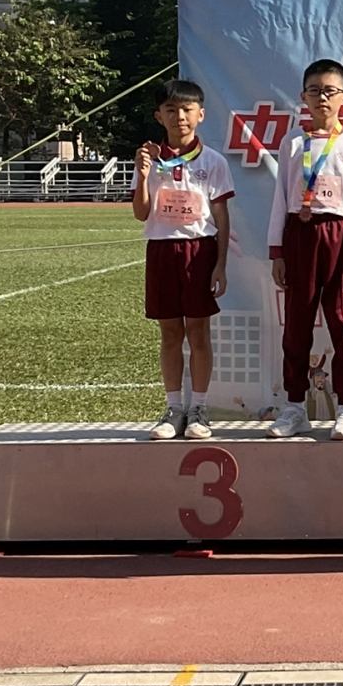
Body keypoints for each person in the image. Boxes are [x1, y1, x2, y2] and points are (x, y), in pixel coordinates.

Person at [267, 59, 343, 440]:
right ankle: (295, 407)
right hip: (301, 234)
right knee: (296, 326)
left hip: (341, 236)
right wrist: (277, 252)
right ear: (303, 97)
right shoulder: (292, 142)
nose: (322, 98)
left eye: (330, 91)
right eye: (314, 91)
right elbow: (280, 199)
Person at [133, 78, 234, 441]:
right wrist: (143, 176)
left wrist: (220, 264)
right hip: (162, 250)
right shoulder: (148, 158)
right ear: (158, 116)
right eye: (171, 110)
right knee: (171, 333)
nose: (180, 117)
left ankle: (199, 409)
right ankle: (173, 407)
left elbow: (221, 217)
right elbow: (141, 213)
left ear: (201, 114)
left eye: (187, 109)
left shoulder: (213, 161)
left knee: (198, 332)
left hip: (199, 251)